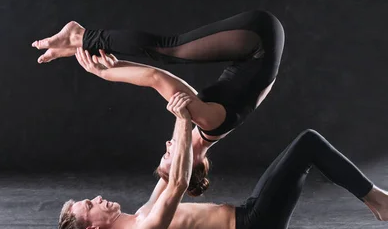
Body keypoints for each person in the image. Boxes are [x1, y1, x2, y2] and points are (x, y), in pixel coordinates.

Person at [58, 92, 388, 229]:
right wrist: (180, 118)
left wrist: (208, 129)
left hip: (248, 215)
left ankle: (379, 201)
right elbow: (174, 185)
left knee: (305, 146)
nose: (97, 198)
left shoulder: (141, 214)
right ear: (92, 228)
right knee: (307, 144)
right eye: (89, 205)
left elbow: (177, 171)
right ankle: (380, 203)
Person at [32, 11, 285, 196]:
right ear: (191, 161)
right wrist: (104, 74)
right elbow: (156, 78)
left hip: (259, 43)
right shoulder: (211, 121)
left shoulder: (211, 126)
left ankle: (75, 44)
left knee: (172, 52)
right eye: (168, 155)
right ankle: (80, 35)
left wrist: (117, 66)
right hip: (258, 39)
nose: (166, 145)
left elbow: (169, 80)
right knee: (170, 48)